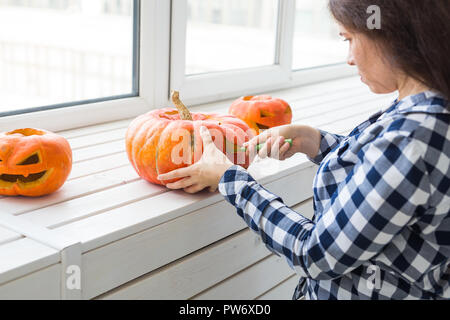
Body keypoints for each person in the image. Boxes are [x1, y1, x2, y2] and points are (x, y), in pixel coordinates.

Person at [157, 0, 450, 299]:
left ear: (391, 31)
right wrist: (313, 141)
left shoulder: (414, 138)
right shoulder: (428, 109)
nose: (349, 58)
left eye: (348, 39)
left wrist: (230, 179)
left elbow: (314, 253)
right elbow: (383, 176)